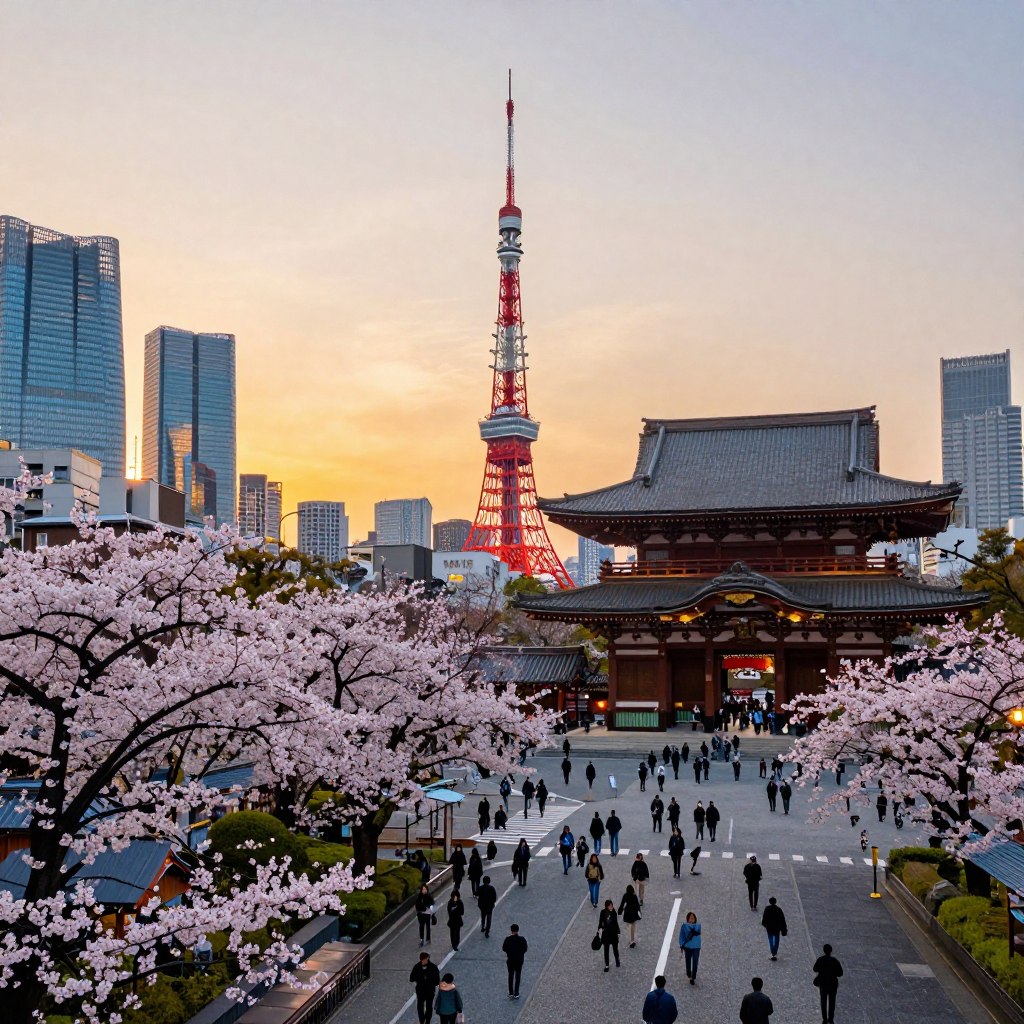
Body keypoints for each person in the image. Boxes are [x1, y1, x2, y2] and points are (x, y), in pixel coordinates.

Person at [813, 942, 844, 1024]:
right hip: (833, 984)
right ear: (831, 951)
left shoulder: (820, 959)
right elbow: (840, 973)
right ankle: (831, 1019)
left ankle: (824, 1019)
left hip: (823, 983)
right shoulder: (835, 961)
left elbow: (815, 969)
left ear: (824, 951)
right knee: (832, 1002)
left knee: (823, 1001)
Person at [409, 951, 441, 1024]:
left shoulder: (433, 967)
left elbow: (437, 981)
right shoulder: (417, 967)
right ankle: (422, 1020)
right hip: (421, 990)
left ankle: (427, 1021)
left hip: (429, 990)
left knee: (428, 1006)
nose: (426, 960)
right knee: (421, 1006)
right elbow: (411, 978)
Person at [502, 923, 528, 999]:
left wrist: (509, 952)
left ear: (511, 930)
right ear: (518, 930)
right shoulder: (522, 939)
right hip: (519, 960)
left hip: (510, 960)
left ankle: (510, 992)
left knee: (510, 975)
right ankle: (516, 993)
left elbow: (504, 948)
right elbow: (525, 949)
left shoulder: (508, 939)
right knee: (518, 976)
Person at [678, 910, 701, 984]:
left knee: (695, 962)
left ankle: (693, 977)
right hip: (687, 947)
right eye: (690, 918)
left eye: (693, 918)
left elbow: (697, 932)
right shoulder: (684, 926)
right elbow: (681, 935)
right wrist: (681, 944)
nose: (691, 919)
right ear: (687, 919)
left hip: (696, 947)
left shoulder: (698, 926)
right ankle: (689, 973)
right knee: (688, 962)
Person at [598, 898, 621, 970]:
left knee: (615, 949)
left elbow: (615, 922)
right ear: (606, 906)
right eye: (610, 906)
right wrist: (600, 929)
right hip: (606, 934)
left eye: (612, 905)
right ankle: (607, 965)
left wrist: (618, 931)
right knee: (606, 950)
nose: (611, 907)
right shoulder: (603, 912)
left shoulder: (614, 912)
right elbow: (600, 922)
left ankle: (617, 960)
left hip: (613, 934)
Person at [619, 883, 642, 947]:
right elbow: (637, 904)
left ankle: (631, 940)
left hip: (627, 912)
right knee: (633, 926)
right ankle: (633, 939)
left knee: (628, 926)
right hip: (634, 912)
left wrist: (620, 911)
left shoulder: (625, 895)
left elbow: (622, 904)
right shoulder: (634, 895)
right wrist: (639, 912)